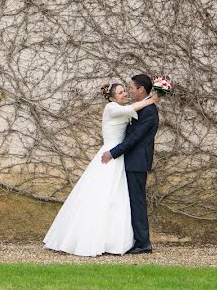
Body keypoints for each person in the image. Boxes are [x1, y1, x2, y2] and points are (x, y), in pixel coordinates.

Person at [44, 82, 159, 257]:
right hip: (111, 155)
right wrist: (152, 99)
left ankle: (115, 239)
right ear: (112, 97)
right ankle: (89, 239)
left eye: (125, 91)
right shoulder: (111, 108)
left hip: (119, 156)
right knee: (102, 195)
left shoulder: (124, 107)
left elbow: (133, 113)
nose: (125, 94)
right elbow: (135, 107)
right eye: (120, 92)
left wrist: (152, 98)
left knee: (117, 198)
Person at [101, 74, 161, 254]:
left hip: (137, 162)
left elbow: (135, 138)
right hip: (130, 160)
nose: (130, 91)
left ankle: (143, 242)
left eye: (132, 88)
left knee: (137, 202)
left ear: (142, 89)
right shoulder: (140, 107)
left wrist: (114, 152)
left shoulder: (149, 111)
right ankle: (134, 239)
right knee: (130, 201)